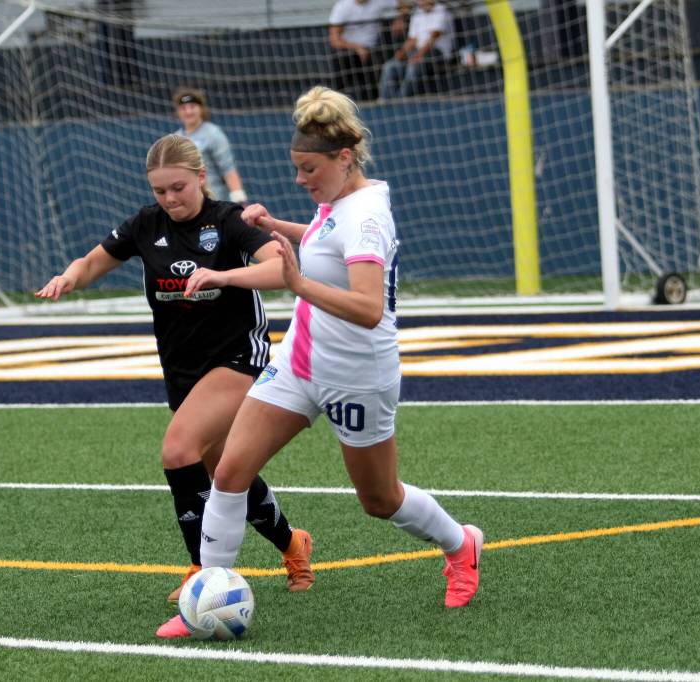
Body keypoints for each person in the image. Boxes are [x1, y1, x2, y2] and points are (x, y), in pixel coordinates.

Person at [156, 86, 484, 638]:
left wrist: (297, 283)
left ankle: (461, 544)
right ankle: (204, 596)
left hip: (357, 376)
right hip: (300, 363)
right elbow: (326, 240)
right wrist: (280, 228)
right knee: (230, 471)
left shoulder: (366, 218)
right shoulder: (340, 205)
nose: (301, 180)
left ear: (343, 160)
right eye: (298, 169)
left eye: (309, 170)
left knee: (380, 500)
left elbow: (368, 307)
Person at [35, 133, 314, 639]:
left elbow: (281, 266)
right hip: (182, 370)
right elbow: (94, 261)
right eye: (161, 190)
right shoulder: (146, 224)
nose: (170, 199)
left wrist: (225, 276)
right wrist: (69, 277)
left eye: (179, 188)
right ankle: (293, 544)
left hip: (237, 358)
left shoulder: (228, 221)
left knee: (178, 448)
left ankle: (202, 574)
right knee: (226, 469)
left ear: (201, 178)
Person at [172, 87, 249, 205]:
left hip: (214, 201)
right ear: (178, 112)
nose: (188, 112)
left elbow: (228, 169)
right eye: (183, 108)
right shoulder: (175, 139)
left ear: (201, 109)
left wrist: (240, 200)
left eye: (192, 107)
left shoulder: (213, 133)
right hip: (188, 203)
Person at [378, 0, 455, 99]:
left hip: (438, 52)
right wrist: (402, 52)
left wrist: (418, 56)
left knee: (413, 66)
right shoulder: (417, 12)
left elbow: (433, 37)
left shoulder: (442, 10)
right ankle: (384, 100)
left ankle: (400, 100)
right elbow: (412, 39)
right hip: (417, 52)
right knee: (389, 66)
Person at [328, 0, 398, 102]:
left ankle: (374, 101)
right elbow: (334, 40)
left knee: (375, 66)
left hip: (372, 49)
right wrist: (357, 47)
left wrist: (400, 18)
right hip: (348, 49)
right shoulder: (342, 6)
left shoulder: (379, 2)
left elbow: (403, 4)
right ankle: (337, 102)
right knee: (341, 61)